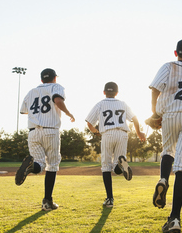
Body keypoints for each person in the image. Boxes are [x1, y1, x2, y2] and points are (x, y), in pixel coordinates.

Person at [148, 39, 182, 233]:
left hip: (169, 115)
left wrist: (155, 113)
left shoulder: (168, 65)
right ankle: (174, 218)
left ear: (175, 52)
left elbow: (155, 88)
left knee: (168, 150)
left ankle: (163, 179)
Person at [15, 68, 75, 211]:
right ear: (55, 78)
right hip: (50, 130)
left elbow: (24, 111)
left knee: (39, 165)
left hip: (33, 131)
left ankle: (30, 166)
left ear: (41, 80)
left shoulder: (31, 92)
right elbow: (57, 100)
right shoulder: (56, 87)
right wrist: (68, 113)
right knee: (52, 165)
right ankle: (47, 202)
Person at [85, 82, 146, 208]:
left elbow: (89, 123)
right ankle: (121, 162)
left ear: (104, 92)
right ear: (117, 93)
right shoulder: (122, 103)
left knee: (106, 167)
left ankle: (110, 199)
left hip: (107, 133)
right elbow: (134, 118)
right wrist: (139, 132)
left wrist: (97, 133)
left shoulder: (100, 104)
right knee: (117, 168)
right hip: (123, 133)